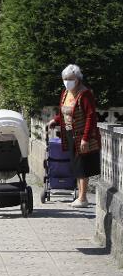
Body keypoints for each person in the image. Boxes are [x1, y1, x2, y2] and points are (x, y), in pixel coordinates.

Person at [48, 64, 101, 208]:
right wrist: (55, 120)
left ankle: (83, 198)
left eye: (69, 79)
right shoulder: (65, 93)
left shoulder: (85, 94)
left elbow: (91, 116)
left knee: (83, 166)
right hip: (70, 134)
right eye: (64, 79)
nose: (66, 81)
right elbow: (63, 113)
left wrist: (85, 138)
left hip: (82, 135)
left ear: (77, 79)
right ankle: (80, 197)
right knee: (76, 166)